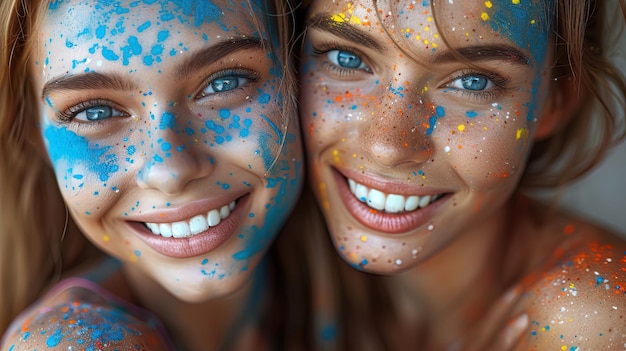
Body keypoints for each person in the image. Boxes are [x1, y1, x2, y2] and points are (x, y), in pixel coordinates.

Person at [0, 0, 336, 349]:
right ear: (36, 139)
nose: (170, 171)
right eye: (95, 112)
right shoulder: (72, 340)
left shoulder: (354, 289)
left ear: (299, 76)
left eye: (224, 83)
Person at [299, 0, 626, 349]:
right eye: (346, 58)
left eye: (473, 82)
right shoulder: (288, 265)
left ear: (555, 101)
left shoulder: (588, 319)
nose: (388, 146)